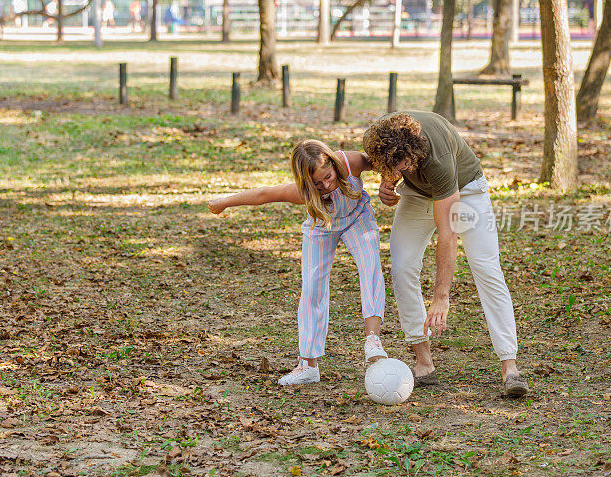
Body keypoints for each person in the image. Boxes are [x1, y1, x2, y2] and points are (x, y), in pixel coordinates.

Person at [362, 111, 529, 397]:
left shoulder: (436, 159)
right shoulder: (376, 141)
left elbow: (448, 235)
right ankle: (423, 361)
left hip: (466, 190)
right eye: (392, 165)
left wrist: (441, 297)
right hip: (416, 195)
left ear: (414, 152)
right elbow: (382, 164)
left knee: (486, 268)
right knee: (402, 268)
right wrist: (387, 183)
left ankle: (509, 366)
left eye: (402, 164)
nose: (398, 169)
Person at [208, 140, 389, 386]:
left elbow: (385, 163)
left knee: (370, 267)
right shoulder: (302, 192)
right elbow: (264, 195)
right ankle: (308, 365)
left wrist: (389, 184)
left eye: (328, 176)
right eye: (317, 183)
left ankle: (372, 340)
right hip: (322, 226)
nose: (326, 185)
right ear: (306, 183)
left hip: (358, 219)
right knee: (312, 288)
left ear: (333, 164)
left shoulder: (350, 162)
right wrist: (225, 202)